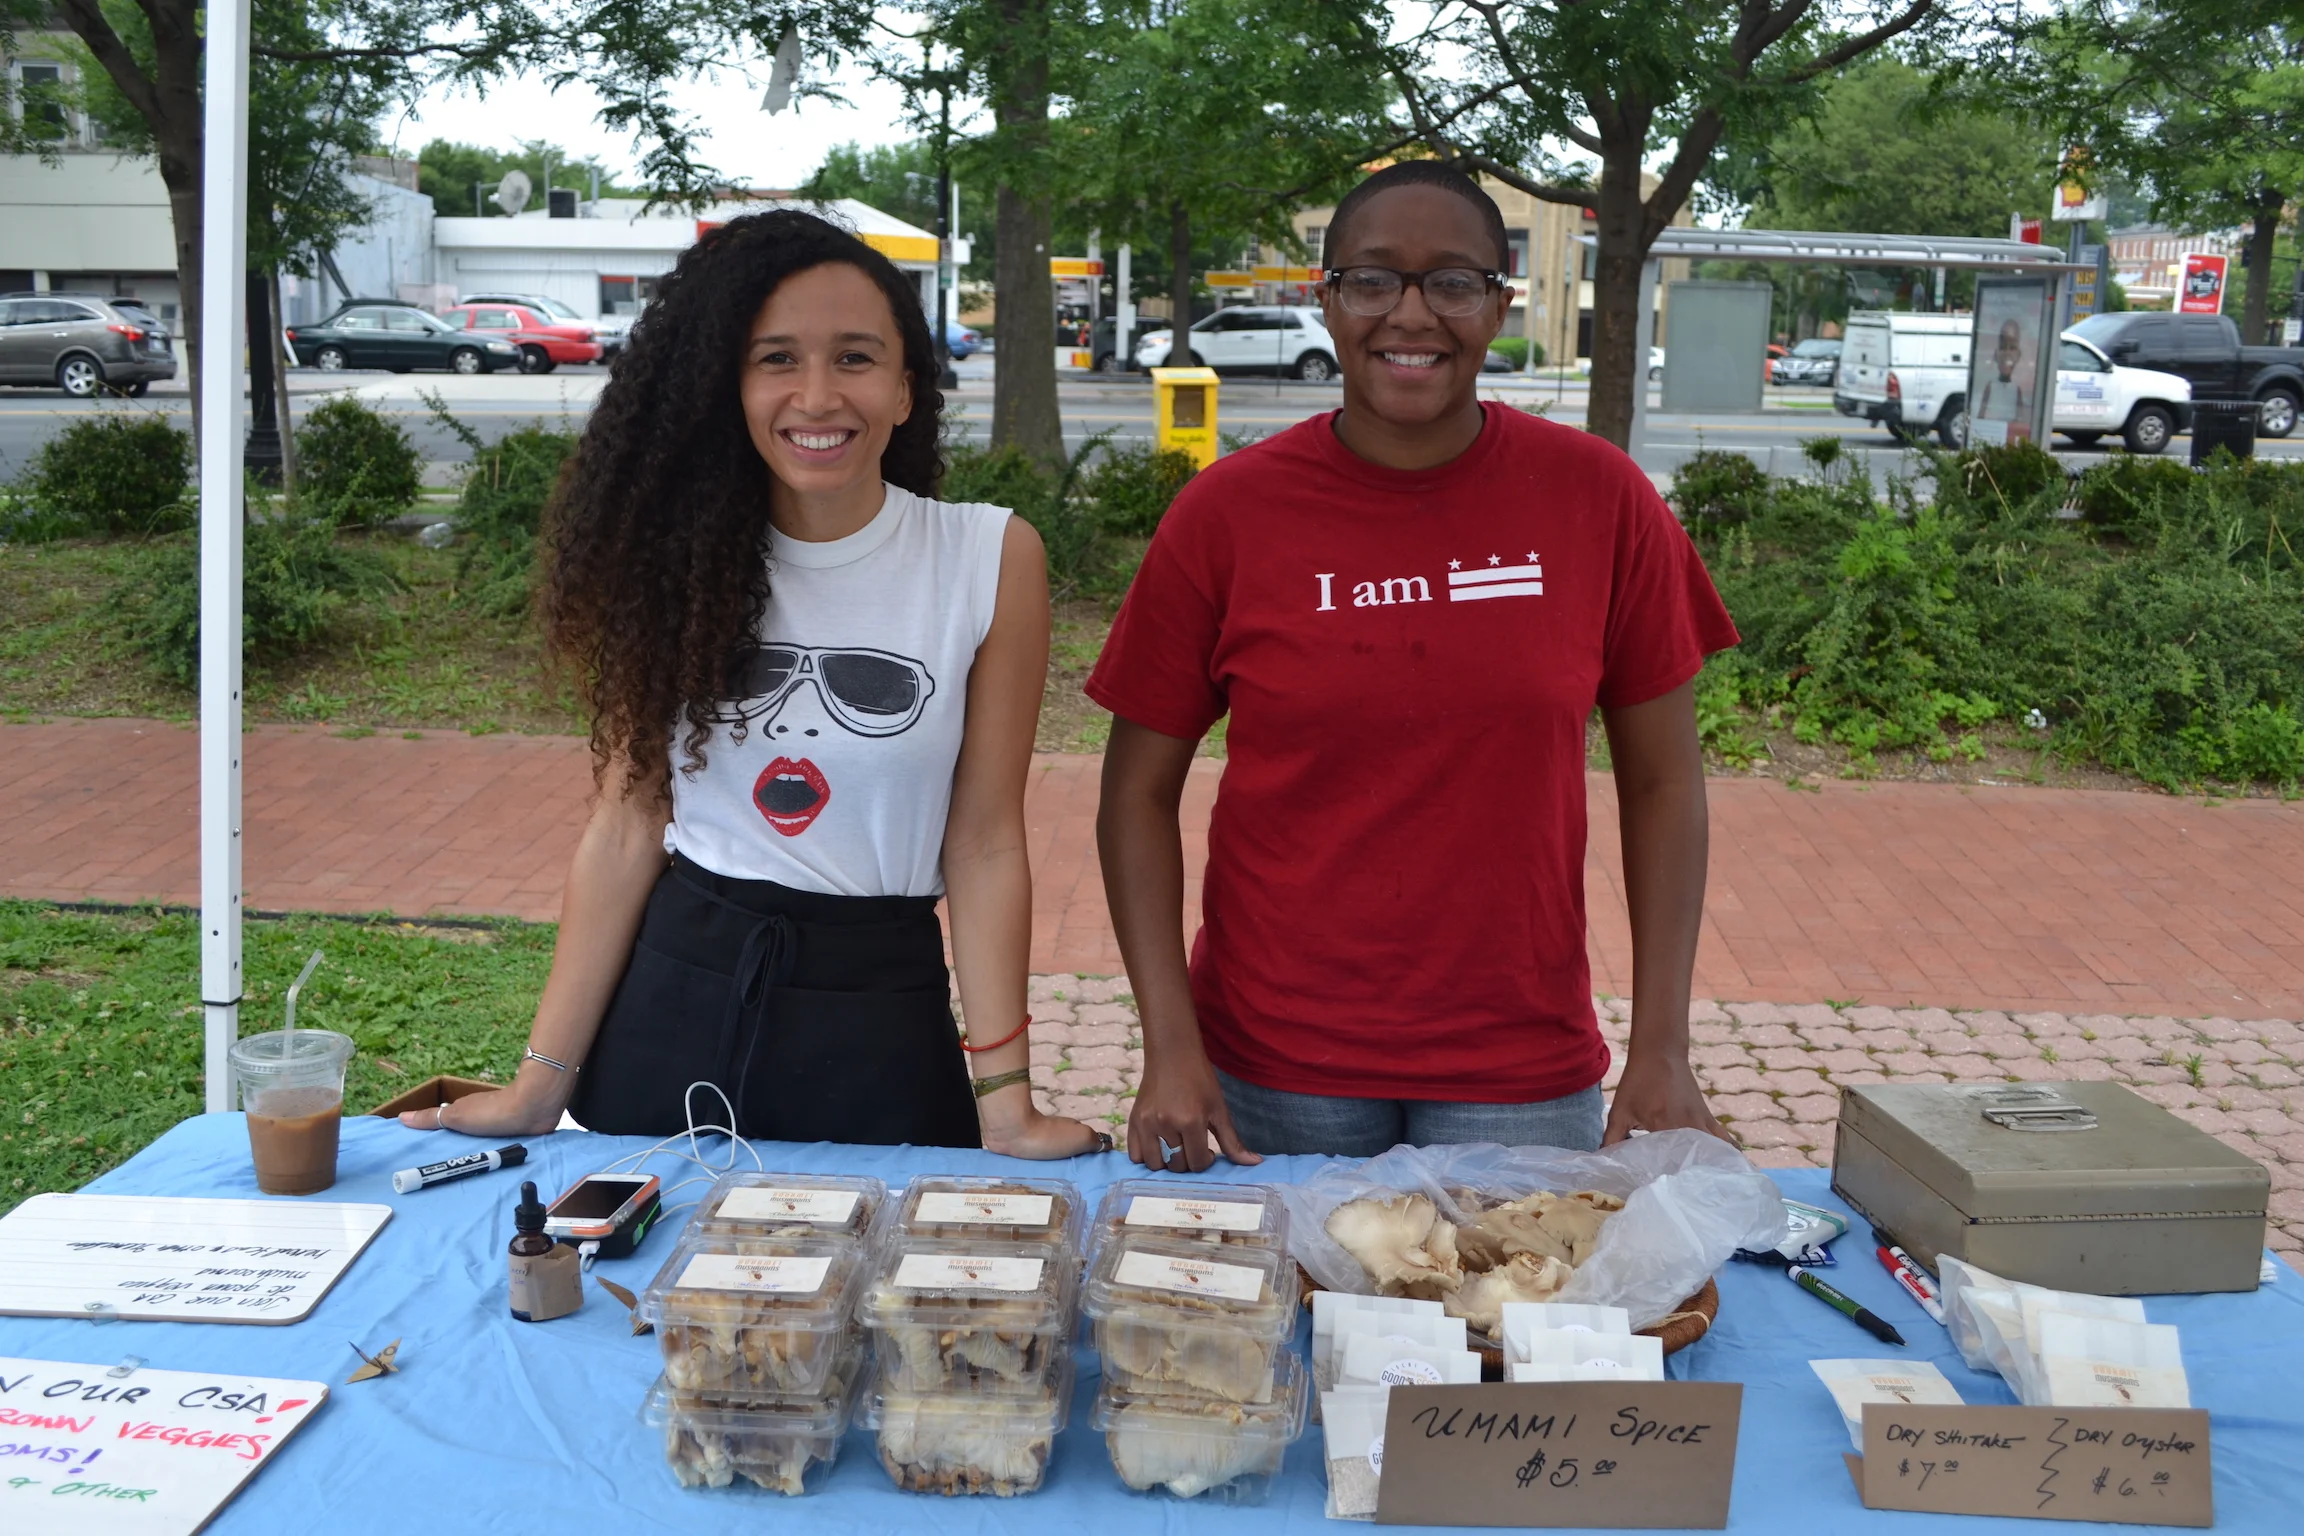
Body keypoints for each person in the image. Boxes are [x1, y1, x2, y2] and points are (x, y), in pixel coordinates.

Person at [401, 210, 1101, 1158]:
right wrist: (536, 1090)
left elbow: (981, 844)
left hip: (879, 1014)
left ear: (905, 389)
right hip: (675, 1001)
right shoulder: (674, 560)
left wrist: (1006, 1103)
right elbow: (623, 827)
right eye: (776, 359)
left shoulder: (987, 557)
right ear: (727, 386)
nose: (816, 395)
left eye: (855, 358)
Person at [1089, 163, 1740, 1170]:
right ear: (1326, 299)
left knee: (1515, 1322)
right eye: (1373, 279)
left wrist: (1663, 1047)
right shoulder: (1227, 515)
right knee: (1290, 1325)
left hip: (1518, 1065)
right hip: (1274, 1060)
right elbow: (1134, 796)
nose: (1410, 313)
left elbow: (1663, 784)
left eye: (1452, 281)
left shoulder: (1599, 501)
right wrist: (1169, 1047)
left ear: (1499, 303)